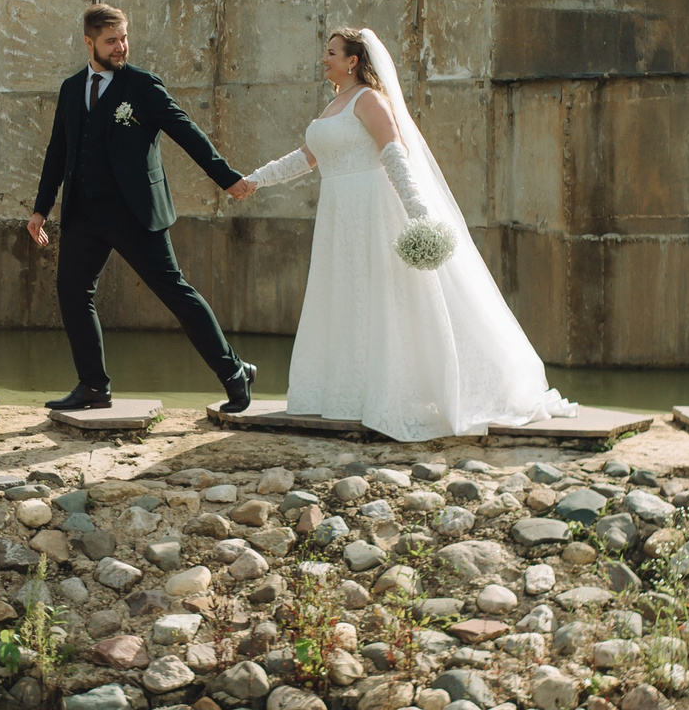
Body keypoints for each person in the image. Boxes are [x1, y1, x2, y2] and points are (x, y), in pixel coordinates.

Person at [236, 25, 571, 441]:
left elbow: (394, 152)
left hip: (373, 208)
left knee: (384, 297)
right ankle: (344, 396)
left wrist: (419, 213)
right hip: (339, 212)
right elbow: (306, 158)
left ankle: (394, 393)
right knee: (345, 295)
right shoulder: (334, 103)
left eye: (332, 52)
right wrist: (252, 180)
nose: (325, 59)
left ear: (353, 60)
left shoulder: (369, 99)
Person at [29, 3, 258, 412]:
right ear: (89, 42)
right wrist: (40, 209)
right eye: (111, 40)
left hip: (134, 212)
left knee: (175, 293)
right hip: (83, 212)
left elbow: (187, 132)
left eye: (124, 38)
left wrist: (227, 178)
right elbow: (57, 152)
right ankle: (94, 386)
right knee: (71, 292)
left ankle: (233, 372)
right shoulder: (69, 89)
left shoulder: (142, 86)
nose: (121, 47)